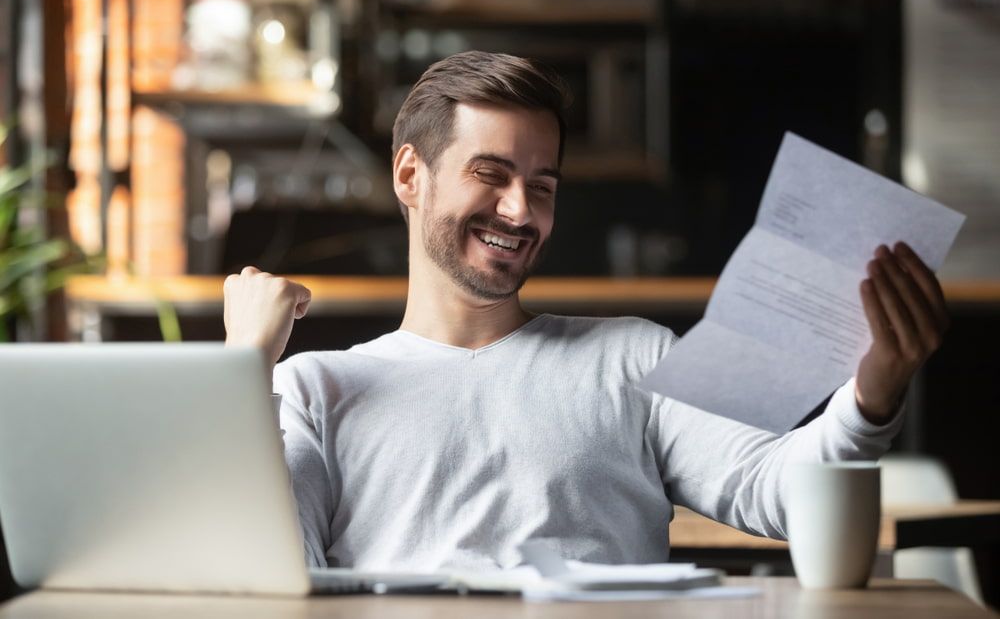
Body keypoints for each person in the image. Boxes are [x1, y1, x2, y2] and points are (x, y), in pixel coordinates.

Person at [223, 50, 948, 572]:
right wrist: (244, 369)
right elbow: (265, 573)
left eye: (542, 186)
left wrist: (873, 392)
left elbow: (780, 491)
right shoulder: (314, 388)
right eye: (490, 174)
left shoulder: (634, 356)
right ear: (411, 175)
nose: (520, 210)